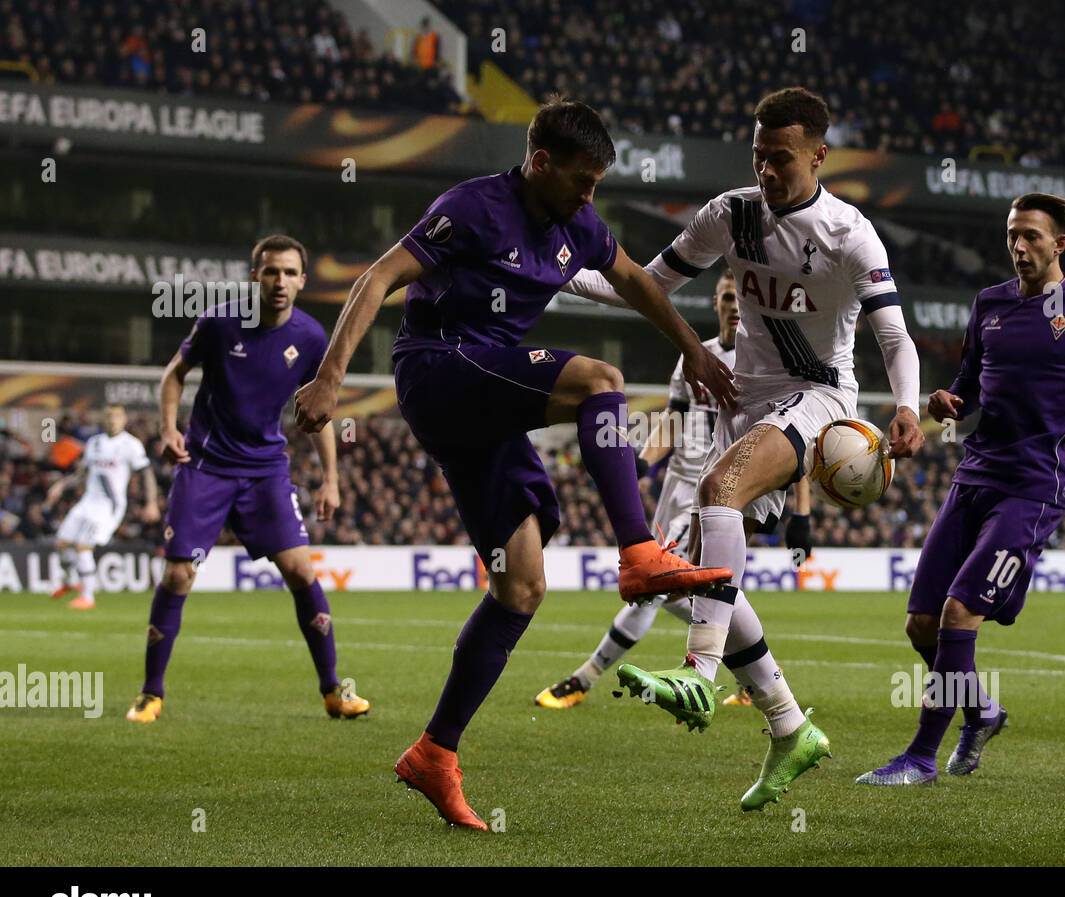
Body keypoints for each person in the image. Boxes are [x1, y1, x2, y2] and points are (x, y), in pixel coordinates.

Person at [293, 97, 737, 830]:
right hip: (438, 370)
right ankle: (638, 553)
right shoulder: (472, 208)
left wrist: (691, 347)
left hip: (484, 401)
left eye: (598, 183)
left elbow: (634, 281)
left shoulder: (577, 225)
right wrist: (333, 376)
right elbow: (377, 277)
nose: (590, 196)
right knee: (601, 381)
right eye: (582, 180)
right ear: (539, 164)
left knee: (522, 586)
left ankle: (435, 753)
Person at [562, 88, 924, 810]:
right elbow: (647, 283)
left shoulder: (850, 234)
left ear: (820, 155)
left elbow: (893, 334)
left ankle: (698, 671)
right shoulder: (730, 213)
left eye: (780, 158)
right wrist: (554, 274)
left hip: (821, 399)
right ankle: (791, 726)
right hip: (744, 404)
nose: (765, 169)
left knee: (717, 491)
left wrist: (909, 405)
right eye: (757, 155)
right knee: (690, 579)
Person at [857, 193, 1065, 785]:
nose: (1019, 247)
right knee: (921, 625)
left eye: (1031, 237)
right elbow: (967, 388)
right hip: (974, 476)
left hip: (1033, 485)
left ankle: (920, 757)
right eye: (1012, 236)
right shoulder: (988, 304)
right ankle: (982, 710)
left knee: (958, 610)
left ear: (1059, 245)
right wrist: (947, 401)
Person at [536, 270, 815, 709]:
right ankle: (751, 676)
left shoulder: (764, 358)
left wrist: (801, 512)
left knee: (664, 588)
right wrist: (642, 463)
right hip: (677, 485)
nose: (733, 306)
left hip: (716, 488)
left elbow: (791, 433)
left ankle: (584, 680)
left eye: (739, 297)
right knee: (671, 587)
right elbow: (674, 418)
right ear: (718, 304)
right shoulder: (696, 355)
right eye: (726, 297)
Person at [126, 235, 369, 724]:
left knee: (301, 571)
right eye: (270, 271)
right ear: (254, 275)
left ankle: (333, 692)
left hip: (265, 471)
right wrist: (170, 428)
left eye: (288, 273)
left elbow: (319, 409)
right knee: (178, 574)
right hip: (206, 466)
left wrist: (331, 480)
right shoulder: (218, 322)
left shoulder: (312, 337)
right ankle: (151, 694)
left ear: (302, 281)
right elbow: (174, 374)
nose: (279, 281)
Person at [47, 405, 159, 609]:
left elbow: (146, 473)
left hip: (108, 506)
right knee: (62, 543)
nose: (112, 420)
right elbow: (82, 473)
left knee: (83, 546)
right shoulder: (95, 443)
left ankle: (87, 597)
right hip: (88, 502)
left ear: (124, 420)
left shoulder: (130, 445)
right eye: (108, 416)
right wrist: (61, 485)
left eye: (116, 417)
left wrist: (151, 502)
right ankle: (73, 581)